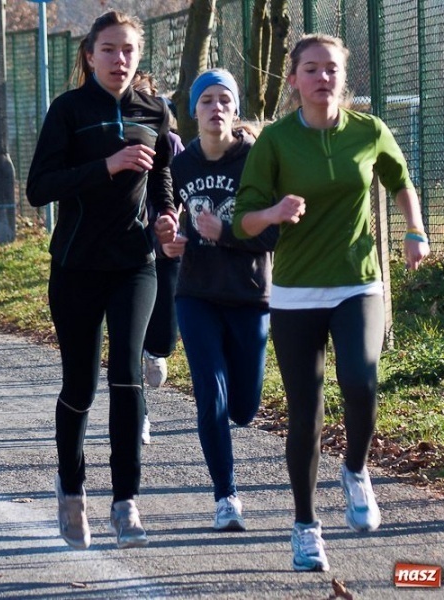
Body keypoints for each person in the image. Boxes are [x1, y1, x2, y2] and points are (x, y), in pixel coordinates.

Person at [232, 34, 430, 572]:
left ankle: (357, 470)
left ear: (344, 79)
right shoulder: (274, 142)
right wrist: (272, 214)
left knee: (361, 383)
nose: (323, 78)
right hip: (295, 292)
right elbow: (241, 218)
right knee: (306, 416)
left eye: (332, 70)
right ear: (293, 79)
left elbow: (400, 179)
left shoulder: (369, 131)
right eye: (311, 69)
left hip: (357, 282)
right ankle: (305, 527)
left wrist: (415, 229)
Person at [26, 10, 178, 550]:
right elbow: (39, 187)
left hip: (136, 264)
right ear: (90, 55)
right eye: (109, 50)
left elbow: (161, 174)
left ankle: (125, 502)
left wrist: (167, 215)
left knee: (128, 378)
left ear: (139, 57)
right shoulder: (68, 110)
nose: (120, 60)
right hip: (76, 265)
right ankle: (71, 491)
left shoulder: (155, 109)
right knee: (81, 386)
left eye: (129, 51)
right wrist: (106, 166)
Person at [162, 68, 277, 533]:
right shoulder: (178, 166)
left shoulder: (256, 159)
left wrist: (225, 232)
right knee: (210, 395)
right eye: (205, 100)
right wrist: (166, 242)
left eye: (223, 99)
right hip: (196, 294)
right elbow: (166, 224)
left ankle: (236, 413)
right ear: (194, 111)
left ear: (234, 108)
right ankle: (225, 495)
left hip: (248, 295)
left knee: (244, 408)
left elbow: (272, 234)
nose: (215, 108)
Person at [131, 71, 185, 445]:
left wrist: (172, 215)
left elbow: (183, 188)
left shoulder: (174, 143)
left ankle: (157, 350)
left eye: (145, 98)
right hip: (127, 245)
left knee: (165, 329)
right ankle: (138, 417)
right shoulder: (111, 140)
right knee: (127, 336)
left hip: (165, 242)